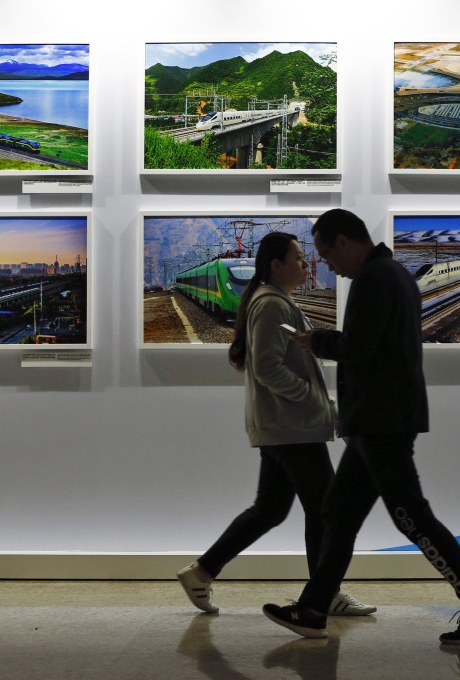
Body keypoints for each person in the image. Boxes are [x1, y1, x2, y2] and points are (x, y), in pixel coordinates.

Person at [262, 209, 460, 645]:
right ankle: (314, 609)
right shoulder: (392, 273)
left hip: (383, 420)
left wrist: (317, 340)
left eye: (325, 253)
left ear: (343, 241)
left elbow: (358, 346)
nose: (327, 265)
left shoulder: (375, 279)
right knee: (338, 515)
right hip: (375, 419)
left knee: (411, 516)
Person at [177, 231, 375, 618]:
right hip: (292, 426)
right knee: (326, 511)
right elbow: (268, 367)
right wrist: (318, 401)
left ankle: (201, 572)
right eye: (299, 257)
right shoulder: (271, 305)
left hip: (284, 425)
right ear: (276, 265)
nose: (306, 263)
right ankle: (325, 593)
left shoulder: (275, 301)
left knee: (270, 509)